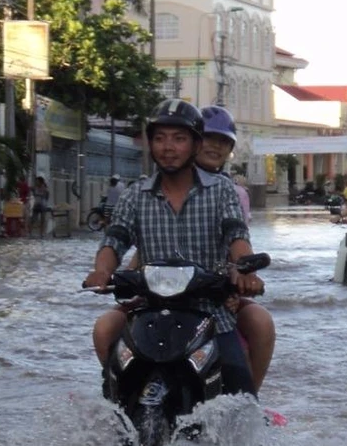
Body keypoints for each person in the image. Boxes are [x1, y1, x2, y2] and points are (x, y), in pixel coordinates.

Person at [84, 98, 263, 397]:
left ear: (194, 145)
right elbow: (114, 240)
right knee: (114, 381)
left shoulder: (221, 191)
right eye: (160, 138)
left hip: (210, 311)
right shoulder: (134, 195)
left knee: (240, 390)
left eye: (179, 139)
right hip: (148, 310)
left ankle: (251, 436)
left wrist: (245, 268)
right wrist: (101, 272)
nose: (168, 147)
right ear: (150, 145)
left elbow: (236, 234)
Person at [196, 104, 274, 391]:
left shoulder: (230, 192)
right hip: (163, 290)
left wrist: (241, 275)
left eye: (222, 142)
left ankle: (250, 400)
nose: (214, 147)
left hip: (216, 290)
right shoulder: (155, 188)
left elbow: (237, 237)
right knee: (107, 330)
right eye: (208, 139)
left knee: (260, 322)